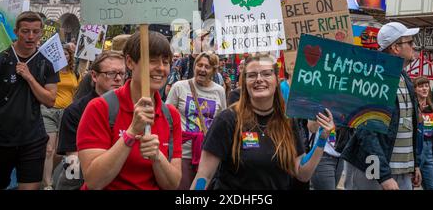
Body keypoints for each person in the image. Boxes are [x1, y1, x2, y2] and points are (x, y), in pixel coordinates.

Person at [190, 54, 335, 190]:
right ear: (244, 82)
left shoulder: (287, 121)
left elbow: (302, 173)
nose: (259, 79)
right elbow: (204, 176)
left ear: (277, 79)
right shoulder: (227, 120)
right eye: (252, 75)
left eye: (266, 74)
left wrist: (321, 139)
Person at [77, 31, 182, 190]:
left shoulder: (171, 115)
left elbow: (173, 185)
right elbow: (94, 181)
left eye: (166, 62)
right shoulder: (100, 108)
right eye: (152, 61)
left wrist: (157, 157)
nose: (161, 68)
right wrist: (131, 133)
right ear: (130, 62)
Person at [342, 22, 422, 190]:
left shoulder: (403, 77)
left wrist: (415, 164)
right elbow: (367, 130)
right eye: (410, 42)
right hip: (375, 173)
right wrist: (383, 175)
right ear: (395, 48)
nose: (414, 46)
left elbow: (409, 125)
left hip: (401, 171)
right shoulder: (376, 77)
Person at [0, 11, 59, 190]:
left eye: (35, 31)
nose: (30, 36)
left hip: (32, 139)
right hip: (2, 138)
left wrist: (29, 77)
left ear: (41, 33)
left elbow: (50, 100)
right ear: (16, 31)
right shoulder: (3, 58)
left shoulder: (46, 62)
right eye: (25, 31)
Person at [55, 51, 126, 190]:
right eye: (111, 73)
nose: (118, 79)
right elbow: (72, 163)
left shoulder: (132, 107)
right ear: (94, 76)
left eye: (122, 74)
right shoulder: (75, 111)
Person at [166, 51, 227, 190]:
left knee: (200, 189)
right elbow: (166, 117)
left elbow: (222, 122)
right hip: (182, 154)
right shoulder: (179, 87)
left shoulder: (219, 91)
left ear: (214, 71)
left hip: (207, 155)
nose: (202, 69)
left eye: (207, 66)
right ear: (194, 67)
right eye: (199, 65)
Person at [41, 44, 79, 189]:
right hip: (49, 111)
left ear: (70, 56)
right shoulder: (50, 71)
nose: (64, 56)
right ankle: (48, 183)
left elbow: (77, 92)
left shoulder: (74, 72)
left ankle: (46, 170)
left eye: (67, 54)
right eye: (61, 53)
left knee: (59, 152)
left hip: (67, 113)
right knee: (49, 149)